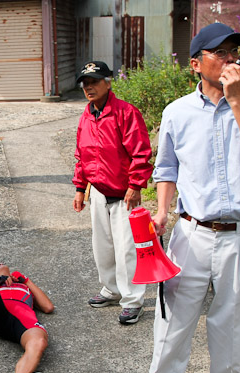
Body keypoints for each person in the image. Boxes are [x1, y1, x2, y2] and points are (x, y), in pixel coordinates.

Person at [124, 23, 240, 373]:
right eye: (220, 52)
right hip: (190, 234)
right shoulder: (177, 112)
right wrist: (160, 212)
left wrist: (236, 99)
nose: (231, 58)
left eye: (235, 51)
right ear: (196, 64)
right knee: (171, 329)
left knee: (232, 329)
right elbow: (167, 168)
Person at [71, 60, 153, 325]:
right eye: (85, 83)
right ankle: (111, 288)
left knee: (127, 249)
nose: (89, 87)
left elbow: (141, 152)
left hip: (124, 194)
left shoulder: (125, 113)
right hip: (99, 192)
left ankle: (132, 300)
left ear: (108, 82)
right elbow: (82, 155)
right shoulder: (87, 115)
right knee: (102, 247)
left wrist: (135, 185)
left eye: (94, 81)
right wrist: (80, 188)